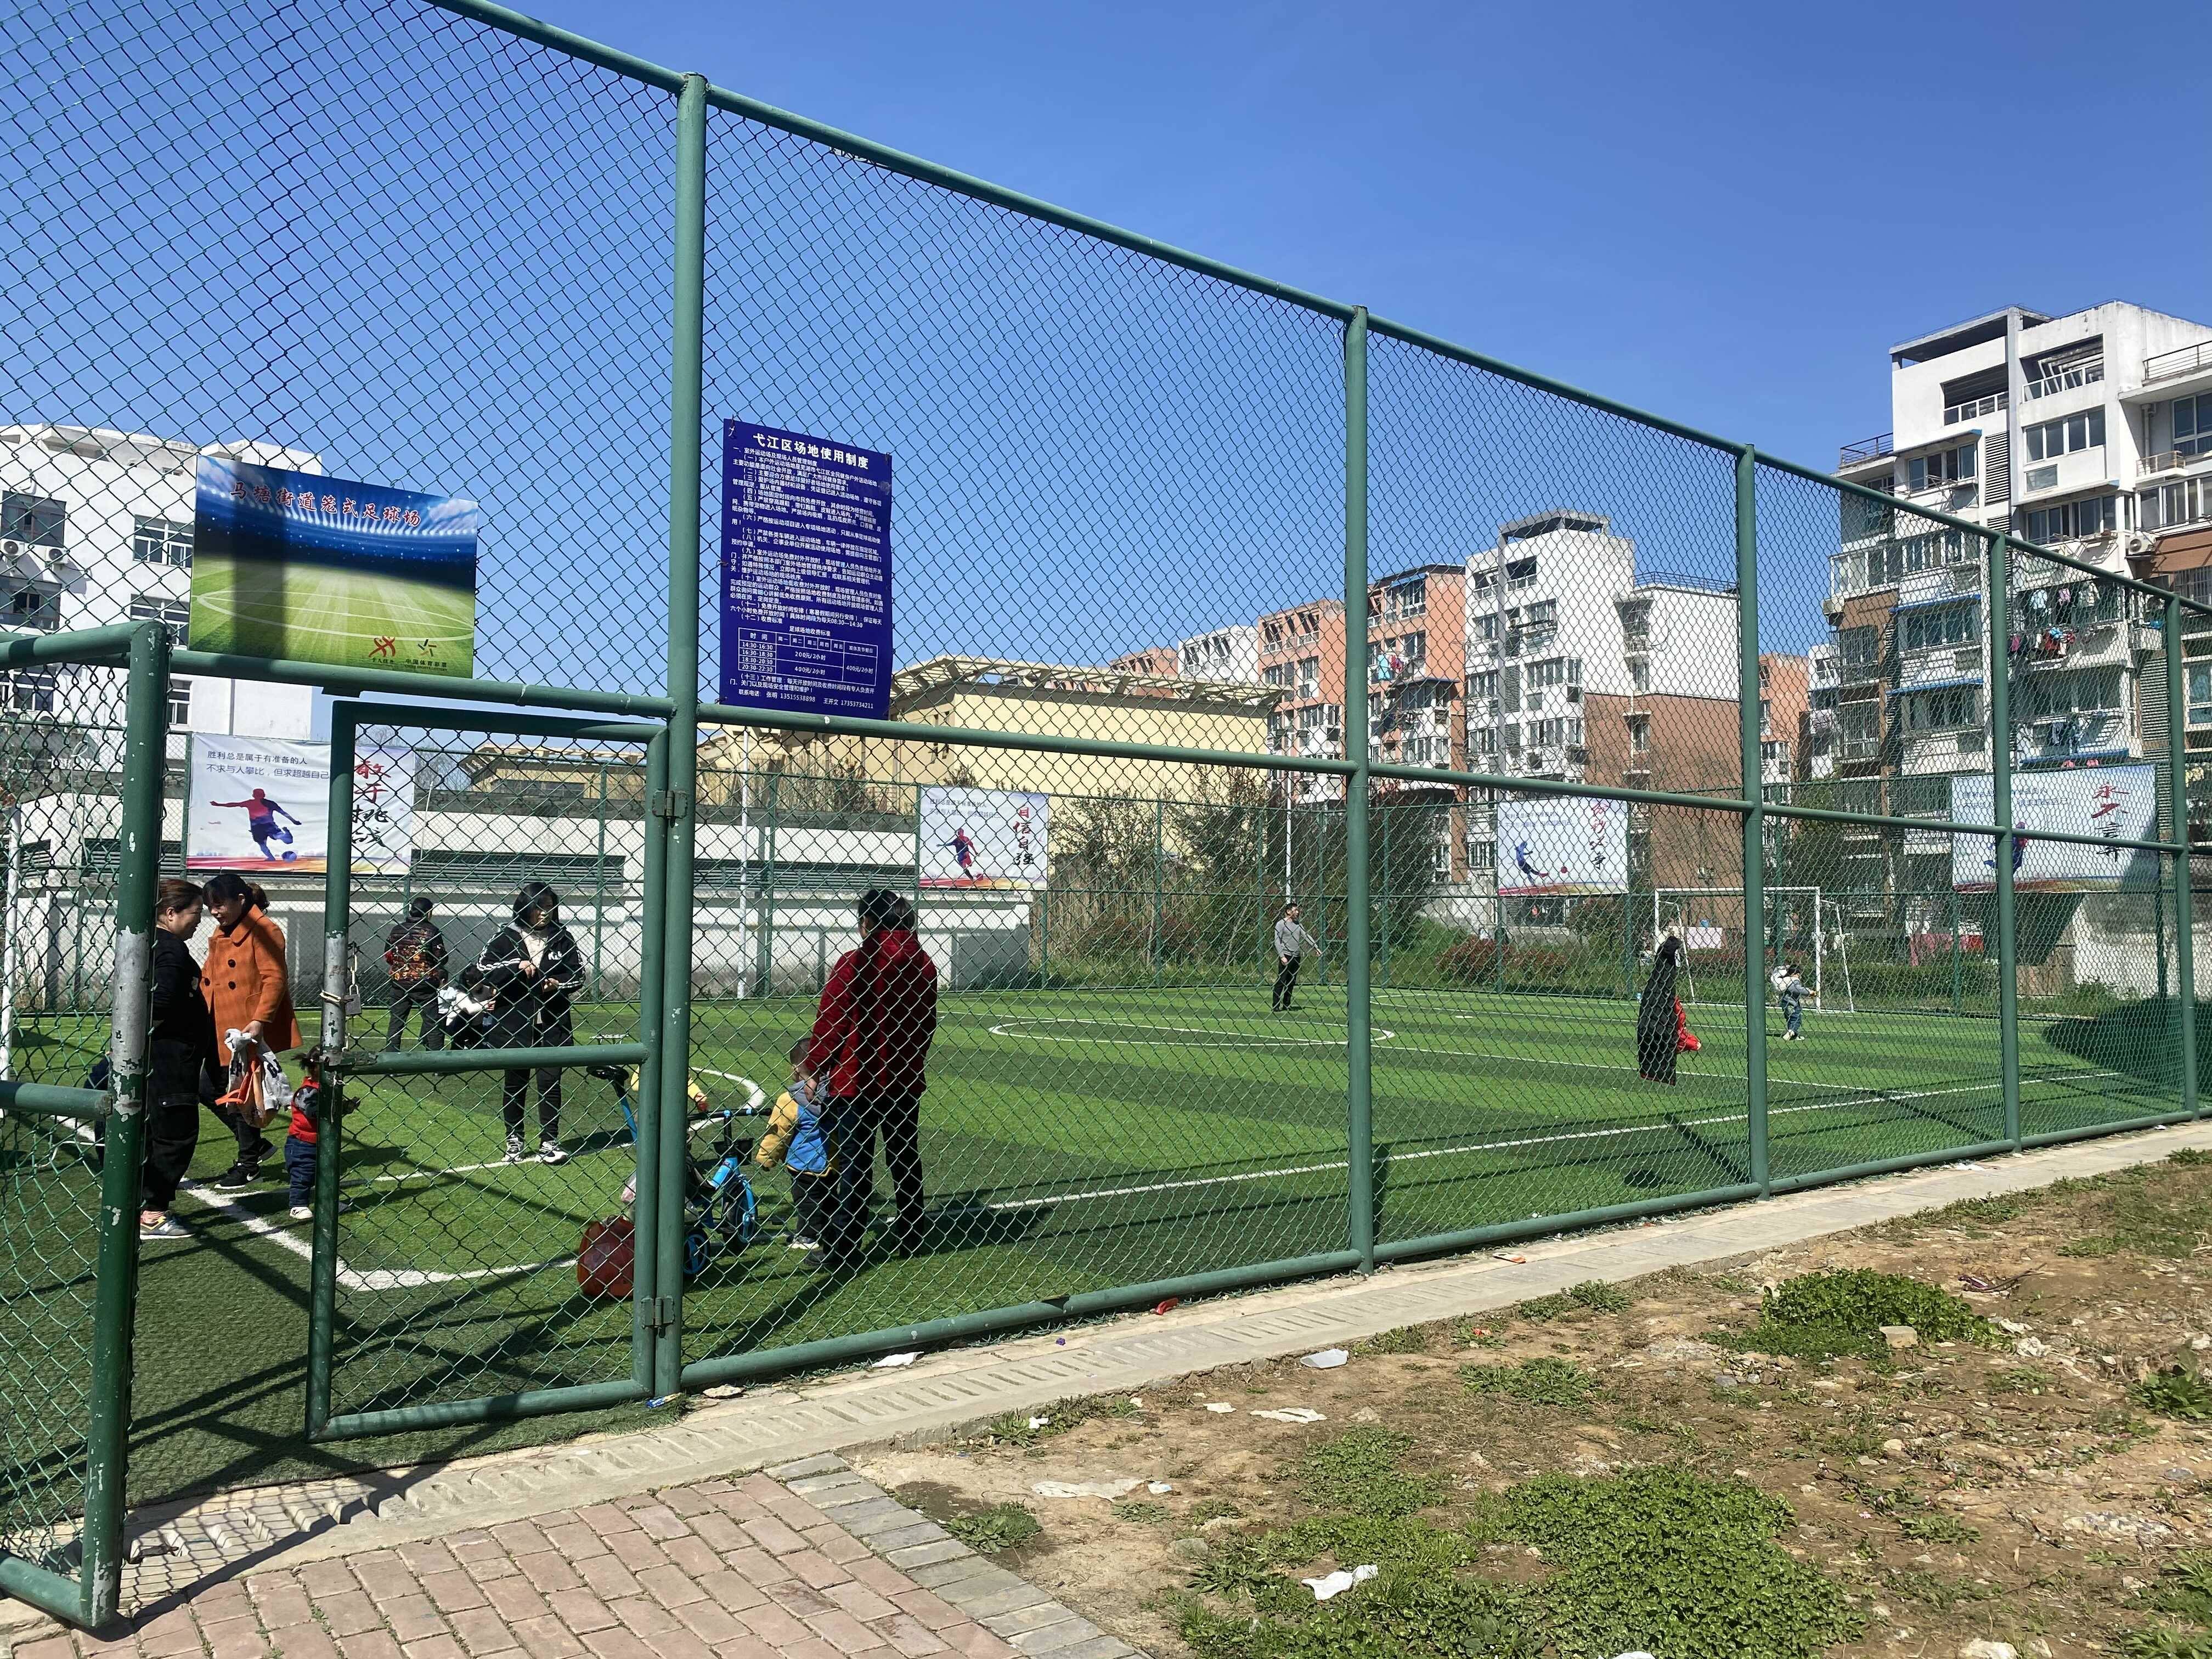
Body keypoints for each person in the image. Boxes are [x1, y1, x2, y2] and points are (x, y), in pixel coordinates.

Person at [807, 888, 938, 1269]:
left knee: (855, 1161)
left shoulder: (855, 961)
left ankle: (845, 1248)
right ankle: (912, 1234)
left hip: (857, 1078)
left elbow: (831, 1022)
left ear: (867, 922)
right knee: (904, 1155)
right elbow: (926, 1023)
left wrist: (814, 1067)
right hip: (904, 1078)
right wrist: (913, 1060)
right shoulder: (924, 963)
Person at [201, 871, 300, 1186]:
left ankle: (248, 1162)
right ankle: (255, 1148)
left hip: (245, 1027)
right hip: (218, 1023)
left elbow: (275, 979)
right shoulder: (222, 932)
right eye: (209, 907)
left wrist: (260, 1020)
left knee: (239, 1092)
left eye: (219, 905)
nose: (214, 912)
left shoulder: (265, 930)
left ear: (240, 900)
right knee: (210, 1089)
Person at [478, 880, 582, 1164]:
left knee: (551, 1081)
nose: (544, 913)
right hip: (514, 1024)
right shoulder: (505, 936)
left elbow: (578, 976)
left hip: (553, 1023)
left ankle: (549, 1141)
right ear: (525, 907)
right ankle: (514, 1140)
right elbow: (482, 970)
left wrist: (555, 983)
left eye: (549, 907)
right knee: (516, 1082)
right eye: (538, 907)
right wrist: (516, 966)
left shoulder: (563, 937)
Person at [143, 877, 216, 1239]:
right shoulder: (170, 951)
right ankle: (152, 1212)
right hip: (170, 1062)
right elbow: (161, 1002)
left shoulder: (150, 943)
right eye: (195, 913)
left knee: (150, 1130)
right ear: (170, 913)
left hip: (159, 1058)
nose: (200, 920)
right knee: (175, 1133)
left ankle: (136, 1204)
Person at [755, 1039, 834, 1251]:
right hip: (835, 1162)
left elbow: (779, 1133)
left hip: (803, 1163)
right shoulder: (835, 1093)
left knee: (806, 1201)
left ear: (795, 1069)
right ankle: (831, 1231)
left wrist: (766, 1158)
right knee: (830, 1199)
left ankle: (808, 1236)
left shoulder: (788, 1100)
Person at [382, 897, 449, 1051]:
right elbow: (442, 958)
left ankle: (391, 1063)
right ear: (429, 912)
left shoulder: (397, 930)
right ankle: (436, 1063)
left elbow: (388, 954)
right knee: (432, 1022)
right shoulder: (431, 931)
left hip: (400, 981)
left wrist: (400, 966)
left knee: (396, 1022)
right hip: (424, 983)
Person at [1636, 924, 1686, 1085]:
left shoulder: (1663, 982)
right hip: (1658, 1024)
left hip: (1662, 1014)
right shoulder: (1660, 983)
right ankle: (1658, 1068)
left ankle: (1659, 1068)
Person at [284, 1058, 330, 1222]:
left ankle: (328, 1203)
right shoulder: (306, 1091)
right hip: (302, 1143)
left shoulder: (328, 1089)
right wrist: (334, 1105)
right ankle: (297, 1205)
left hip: (323, 1142)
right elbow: (312, 1111)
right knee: (303, 1173)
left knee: (327, 1173)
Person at [208, 788, 301, 862]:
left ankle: (273, 854)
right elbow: (283, 813)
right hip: (264, 826)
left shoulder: (252, 803)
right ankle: (275, 850)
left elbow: (234, 804)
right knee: (270, 841)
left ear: (253, 795)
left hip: (259, 827)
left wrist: (219, 805)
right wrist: (293, 821)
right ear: (264, 795)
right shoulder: (269, 803)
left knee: (263, 844)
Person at [1272, 902, 1318, 1013]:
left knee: (1291, 982)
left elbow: (1306, 935)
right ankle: (1276, 1005)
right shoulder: (1281, 924)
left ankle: (1287, 1004)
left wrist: (1316, 947)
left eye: (1298, 910)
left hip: (1296, 956)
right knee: (1282, 980)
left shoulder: (1298, 924)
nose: (1298, 912)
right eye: (1295, 910)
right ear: (1288, 912)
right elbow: (1277, 942)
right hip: (1286, 956)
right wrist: (1282, 956)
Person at [1771, 961, 1806, 1042]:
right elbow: (1798, 990)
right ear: (1796, 974)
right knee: (1796, 1019)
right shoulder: (1794, 981)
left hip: (1785, 1003)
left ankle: (1794, 1034)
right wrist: (1809, 992)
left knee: (1790, 1019)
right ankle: (1791, 1031)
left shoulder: (1785, 980)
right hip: (1793, 1003)